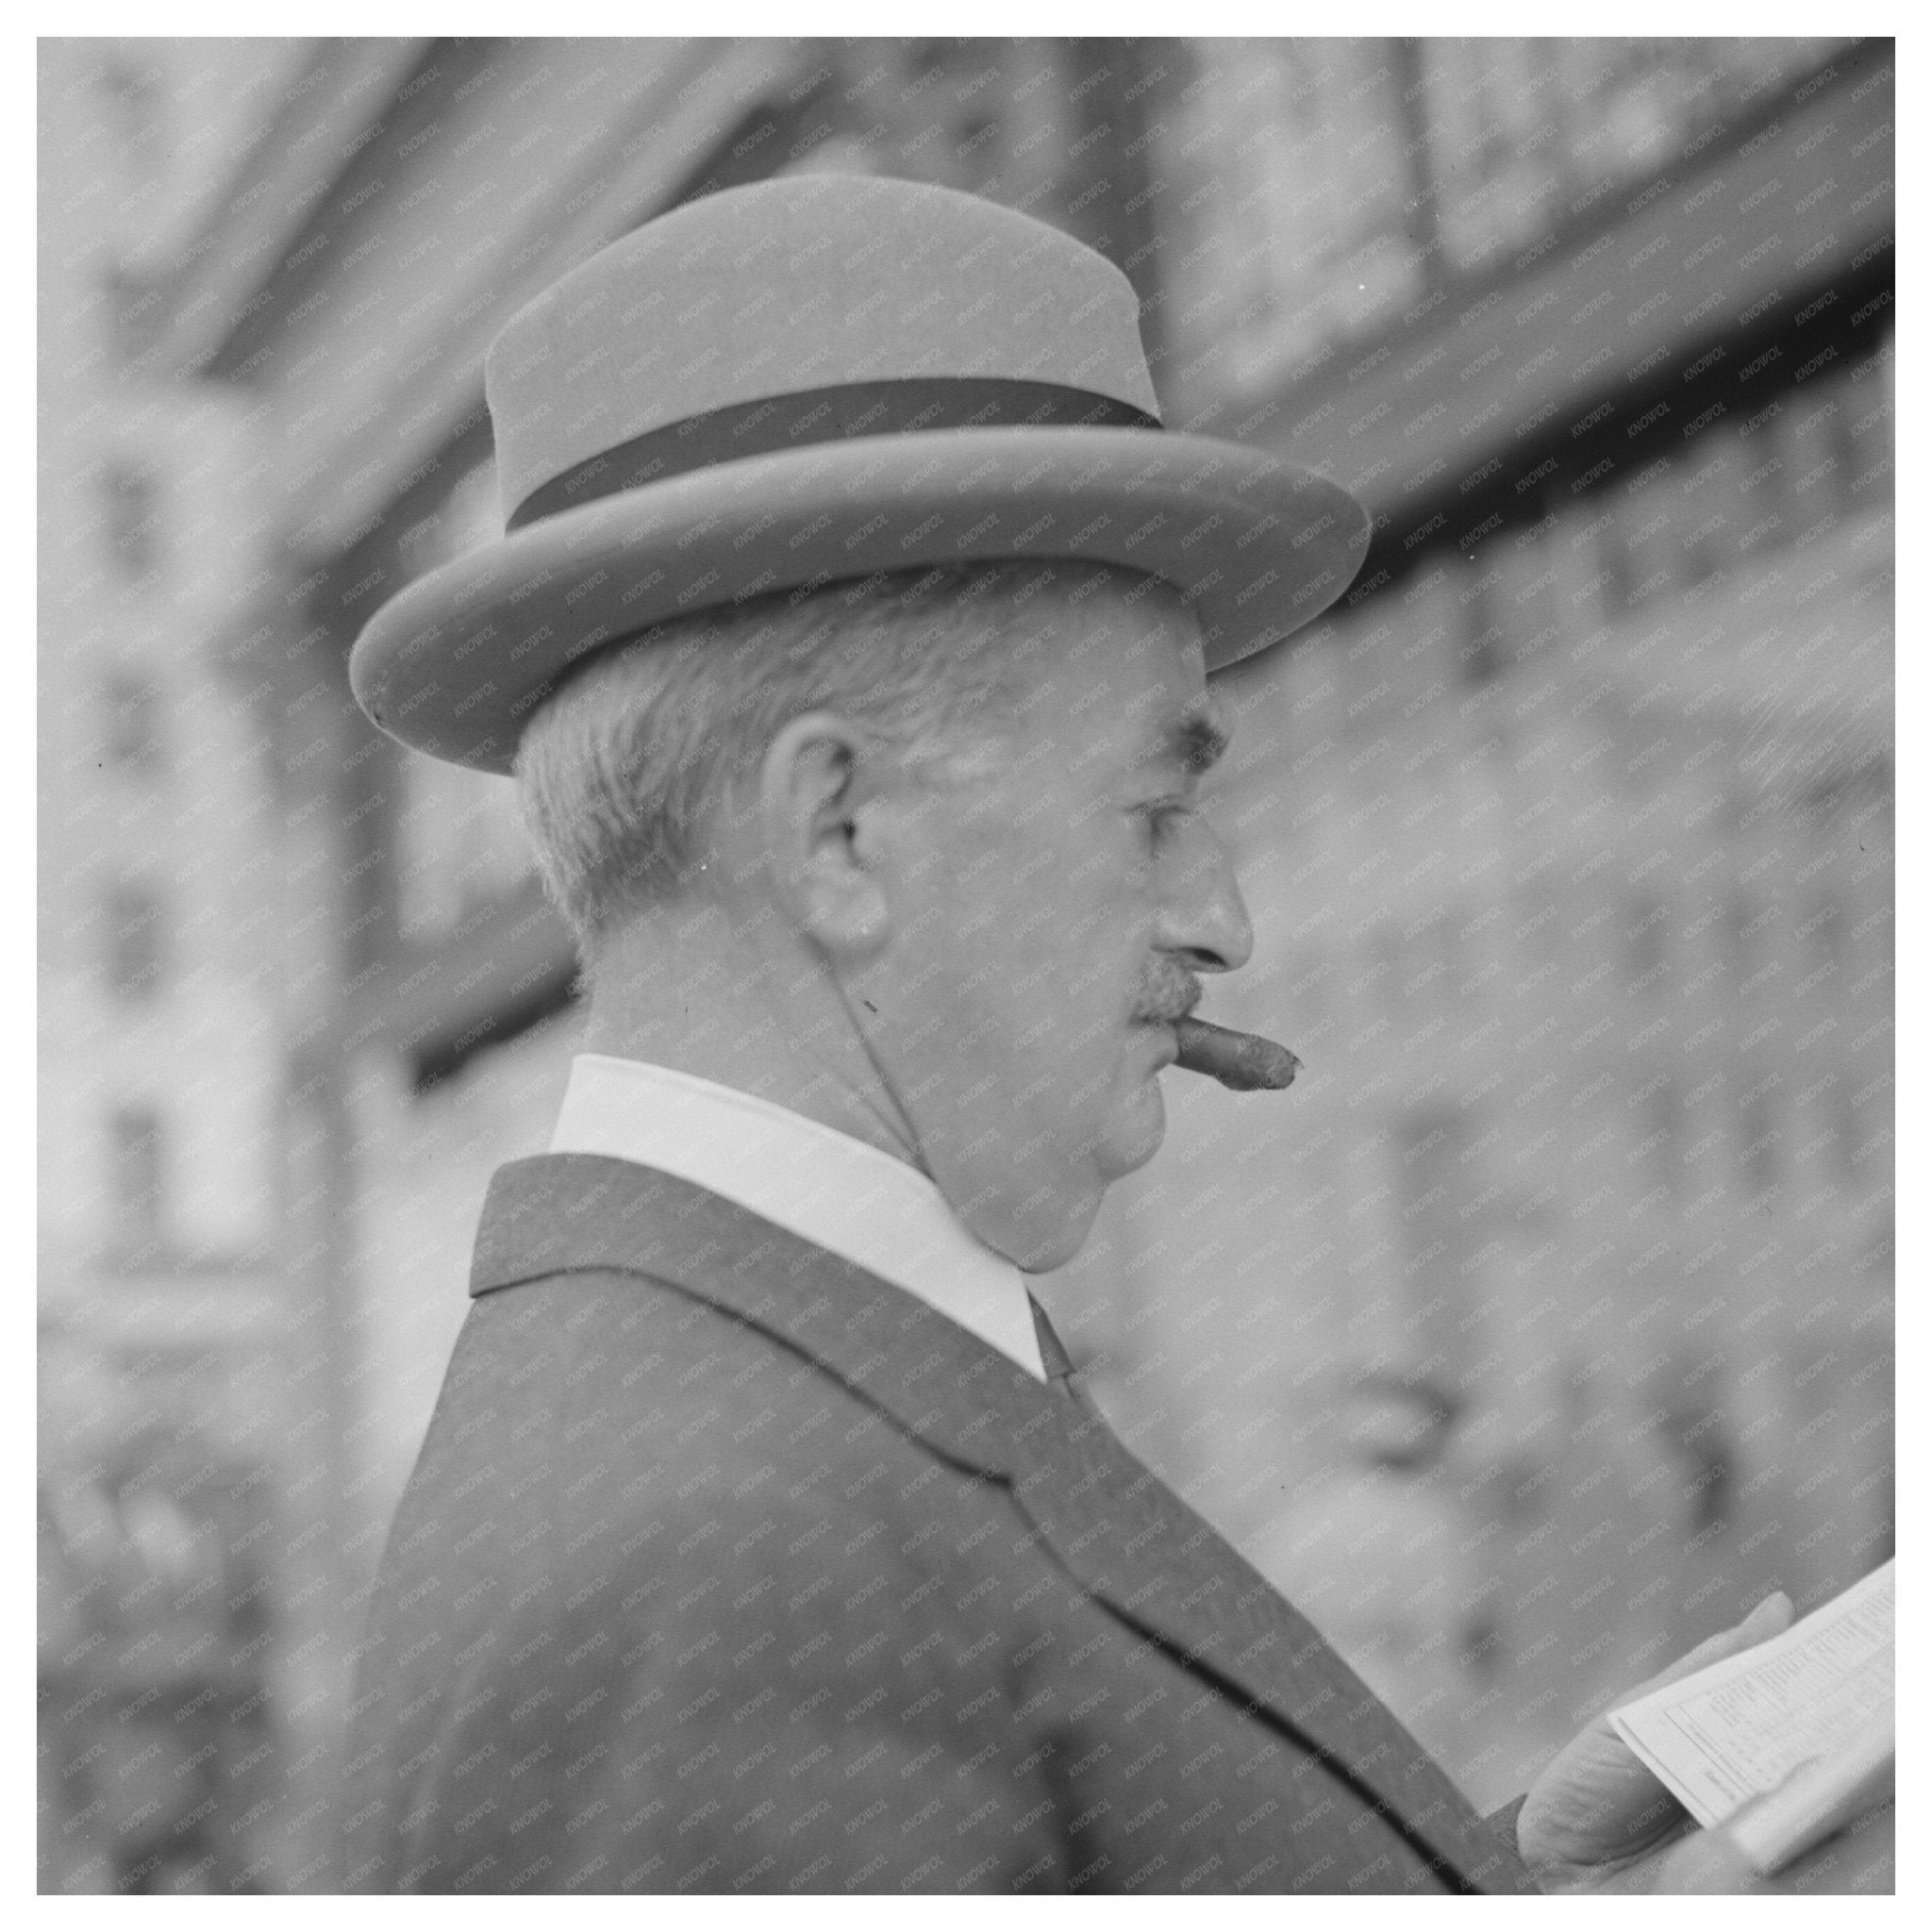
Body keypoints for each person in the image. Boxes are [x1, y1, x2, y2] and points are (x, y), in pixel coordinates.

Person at [340, 175, 1889, 1894]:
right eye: (1153, 808)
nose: (1222, 918)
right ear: (839, 834)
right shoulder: (703, 1555)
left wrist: (1525, 1875)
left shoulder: (750, 1406)